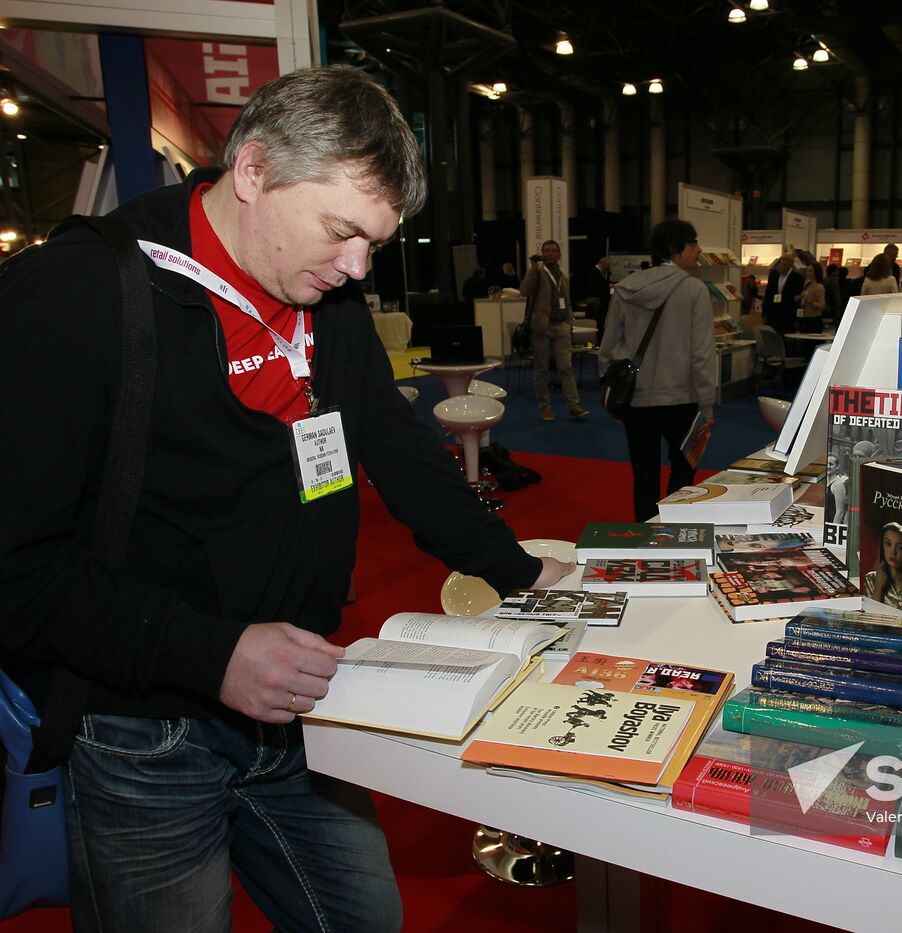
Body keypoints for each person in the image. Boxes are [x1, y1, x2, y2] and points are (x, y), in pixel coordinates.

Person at [0, 66, 572, 931]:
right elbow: (17, 569)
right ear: (255, 169)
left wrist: (523, 572)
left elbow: (396, 448)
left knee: (366, 917)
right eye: (343, 232)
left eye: (374, 244)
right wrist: (212, 654)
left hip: (302, 703)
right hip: (144, 729)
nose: (355, 268)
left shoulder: (322, 299)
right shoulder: (77, 297)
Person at [599, 219, 717, 522]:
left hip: (636, 399)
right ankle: (675, 528)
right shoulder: (695, 291)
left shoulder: (626, 288)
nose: (699, 250)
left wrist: (611, 392)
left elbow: (609, 347)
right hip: (682, 399)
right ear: (675, 248)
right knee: (684, 468)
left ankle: (646, 533)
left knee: (643, 473)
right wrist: (707, 404)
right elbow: (702, 355)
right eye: (693, 243)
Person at [523, 239, 588, 420]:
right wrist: (533, 268)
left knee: (566, 367)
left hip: (561, 326)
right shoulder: (537, 273)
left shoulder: (563, 278)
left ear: (559, 255)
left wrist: (569, 323)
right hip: (542, 327)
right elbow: (524, 290)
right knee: (541, 368)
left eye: (553, 251)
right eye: (546, 251)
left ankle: (573, 405)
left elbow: (566, 303)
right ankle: (545, 407)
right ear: (542, 254)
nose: (550, 254)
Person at [762, 251, 803, 334]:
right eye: (783, 259)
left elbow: (798, 300)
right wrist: (764, 314)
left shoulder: (797, 278)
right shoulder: (773, 275)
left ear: (792, 263)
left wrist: (797, 319)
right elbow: (768, 294)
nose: (784, 262)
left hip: (788, 315)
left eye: (787, 260)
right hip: (773, 314)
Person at [797, 264, 826, 334]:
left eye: (810, 271)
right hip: (804, 317)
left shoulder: (819, 287)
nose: (807, 272)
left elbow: (822, 305)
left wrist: (811, 302)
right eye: (807, 270)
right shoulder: (807, 285)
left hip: (814, 319)